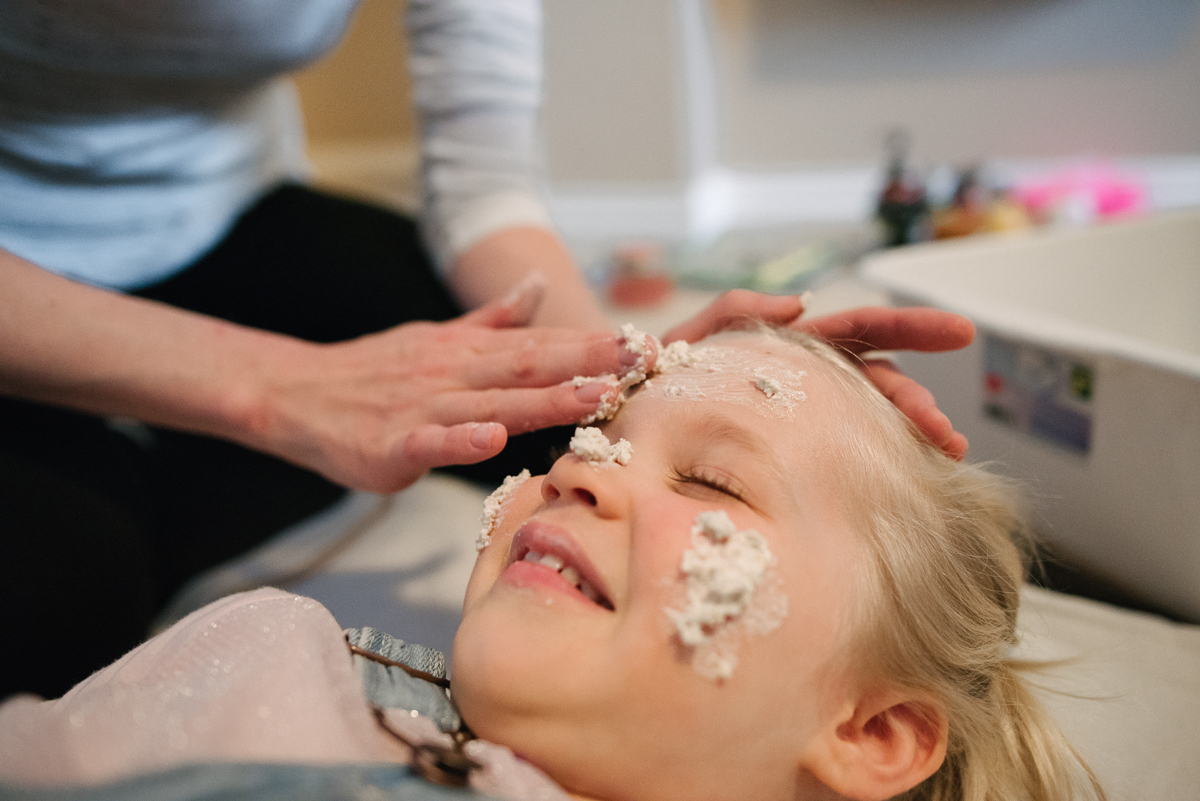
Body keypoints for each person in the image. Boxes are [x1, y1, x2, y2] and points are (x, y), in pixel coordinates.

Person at [0, 0, 973, 700]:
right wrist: (278, 390)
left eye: (710, 487)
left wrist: (631, 367)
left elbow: (484, 183)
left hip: (226, 211)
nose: (589, 477)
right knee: (61, 589)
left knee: (502, 385)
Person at [0, 325, 1102, 801]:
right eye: (599, 440)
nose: (582, 473)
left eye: (712, 487)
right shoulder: (288, 655)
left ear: (868, 734)